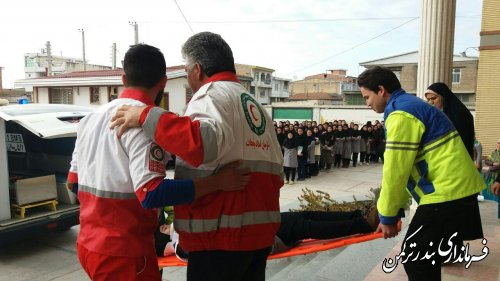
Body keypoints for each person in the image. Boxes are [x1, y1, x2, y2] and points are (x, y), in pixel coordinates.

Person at [110, 32, 283, 281]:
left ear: (197, 70)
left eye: (187, 70)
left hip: (221, 237)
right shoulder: (252, 103)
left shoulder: (210, 95)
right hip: (258, 235)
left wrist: (146, 116)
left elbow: (202, 143)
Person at [67, 44, 249, 281]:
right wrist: (217, 183)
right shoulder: (142, 123)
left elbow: (73, 183)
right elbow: (152, 194)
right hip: (124, 253)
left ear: (124, 78)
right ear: (163, 82)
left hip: (88, 247)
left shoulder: (89, 120)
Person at [357, 66, 484, 281]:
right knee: (423, 256)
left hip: (447, 191)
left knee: (415, 256)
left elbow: (396, 169)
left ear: (380, 90)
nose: (366, 103)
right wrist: (395, 209)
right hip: (453, 189)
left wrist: (387, 215)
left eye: (366, 97)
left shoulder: (401, 114)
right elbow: (406, 171)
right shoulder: (408, 106)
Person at [425, 82, 475, 158]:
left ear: (443, 97)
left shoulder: (459, 113)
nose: (431, 102)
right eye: (428, 99)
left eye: (434, 98)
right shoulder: (439, 113)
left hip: (458, 157)